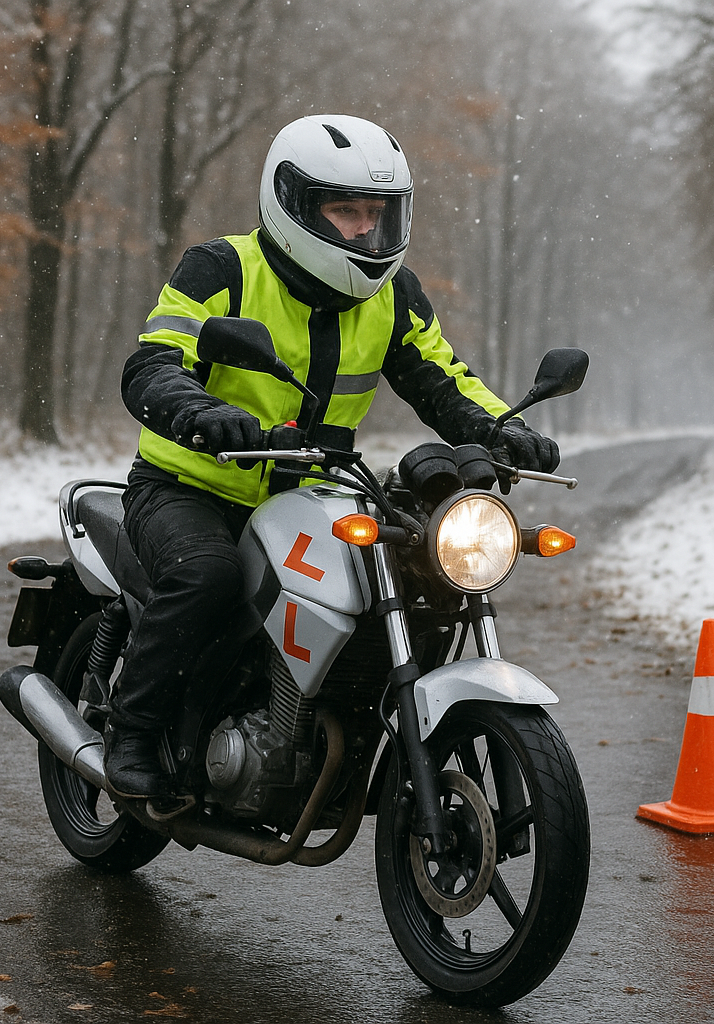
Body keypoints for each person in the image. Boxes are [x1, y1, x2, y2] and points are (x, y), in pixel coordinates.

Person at [106, 114, 560, 814]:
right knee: (210, 576)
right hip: (190, 486)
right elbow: (153, 365)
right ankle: (132, 737)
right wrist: (199, 412)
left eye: (377, 216)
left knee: (408, 575)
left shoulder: (393, 295)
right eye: (345, 212)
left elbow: (443, 379)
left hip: (315, 494)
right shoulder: (222, 270)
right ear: (292, 205)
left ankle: (329, 735)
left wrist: (504, 428)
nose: (365, 233)